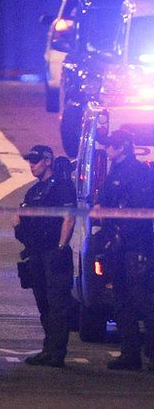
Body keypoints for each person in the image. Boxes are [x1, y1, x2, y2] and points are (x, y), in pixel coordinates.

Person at [96, 130, 154, 371]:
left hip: (135, 244)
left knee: (142, 299)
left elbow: (139, 209)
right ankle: (130, 353)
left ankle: (151, 351)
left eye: (112, 146)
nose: (108, 150)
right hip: (117, 245)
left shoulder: (139, 173)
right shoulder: (115, 171)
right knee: (121, 300)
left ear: (124, 147)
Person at [13, 145, 76, 368]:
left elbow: (69, 218)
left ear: (48, 161)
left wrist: (61, 246)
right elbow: (19, 219)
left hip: (53, 253)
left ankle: (57, 353)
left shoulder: (62, 187)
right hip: (37, 253)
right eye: (30, 161)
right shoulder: (34, 191)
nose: (32, 165)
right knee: (43, 304)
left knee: (57, 304)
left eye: (36, 160)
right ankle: (48, 349)